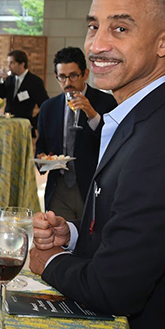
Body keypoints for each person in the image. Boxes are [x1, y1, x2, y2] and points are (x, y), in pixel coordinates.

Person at [30, 0, 165, 329]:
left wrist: (49, 261)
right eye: (94, 26)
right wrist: (73, 237)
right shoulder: (142, 118)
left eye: (120, 29)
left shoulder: (163, 144)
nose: (97, 45)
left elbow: (114, 287)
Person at [36, 47, 116, 220]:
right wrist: (43, 159)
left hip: (92, 187)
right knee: (59, 239)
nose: (67, 83)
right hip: (59, 188)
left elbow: (113, 144)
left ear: (85, 74)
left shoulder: (106, 103)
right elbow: (41, 147)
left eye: (73, 75)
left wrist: (92, 115)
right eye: (62, 77)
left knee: (91, 241)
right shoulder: (48, 108)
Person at [0, 49, 48, 133]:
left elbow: (45, 105)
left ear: (22, 64)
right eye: (8, 63)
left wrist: (34, 122)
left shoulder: (34, 81)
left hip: (23, 126)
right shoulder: (9, 79)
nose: (9, 66)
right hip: (7, 124)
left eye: (12, 63)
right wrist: (1, 81)